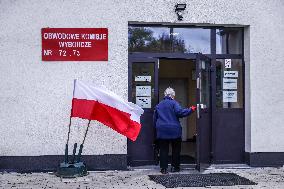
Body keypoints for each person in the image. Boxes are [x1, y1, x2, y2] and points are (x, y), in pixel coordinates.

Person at [153, 87, 196, 174]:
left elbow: (154, 120)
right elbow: (180, 113)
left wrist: (157, 129)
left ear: (165, 95)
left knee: (163, 149)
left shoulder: (159, 105)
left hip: (162, 131)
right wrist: (190, 110)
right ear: (173, 96)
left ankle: (163, 169)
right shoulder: (174, 103)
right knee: (176, 149)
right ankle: (175, 167)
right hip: (174, 131)